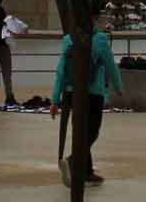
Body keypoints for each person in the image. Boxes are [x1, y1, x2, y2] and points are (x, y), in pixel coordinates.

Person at [52, 18, 121, 186]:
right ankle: (72, 160)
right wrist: (118, 86)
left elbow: (61, 70)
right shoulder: (100, 39)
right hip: (93, 92)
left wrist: (55, 99)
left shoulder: (69, 39)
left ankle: (86, 171)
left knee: (82, 130)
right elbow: (110, 65)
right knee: (92, 132)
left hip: (72, 92)